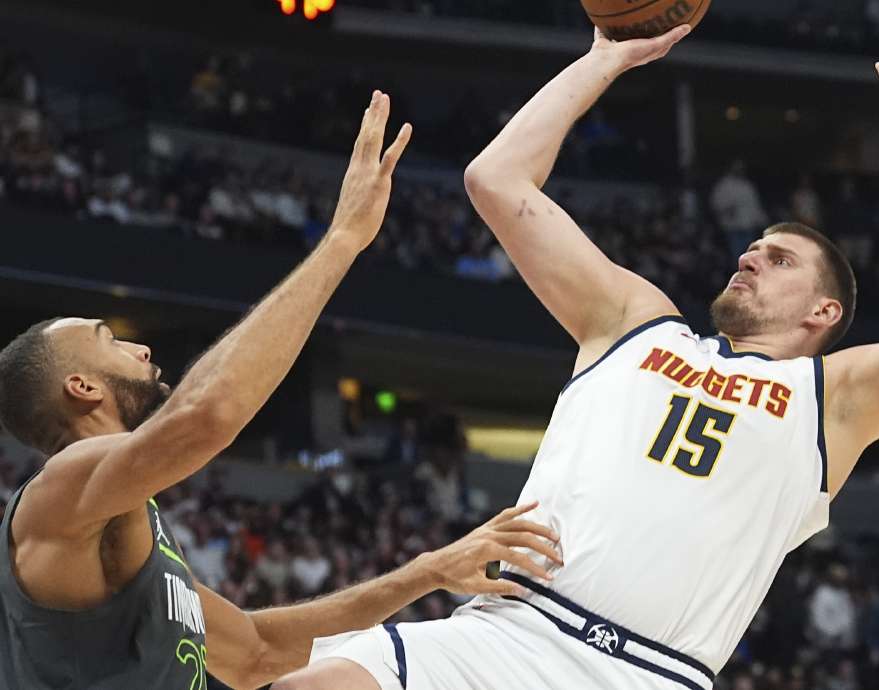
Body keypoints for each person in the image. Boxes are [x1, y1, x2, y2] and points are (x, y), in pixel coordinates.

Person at [282, 3, 879, 689]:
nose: (748, 257)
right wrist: (605, 57)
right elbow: (497, 179)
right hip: (505, 633)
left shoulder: (836, 400)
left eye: (778, 260)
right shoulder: (636, 321)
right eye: (751, 247)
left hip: (645, 673)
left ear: (824, 310)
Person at [0, 91, 560, 690]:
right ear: (80, 387)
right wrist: (342, 240)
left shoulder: (131, 525)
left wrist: (429, 570)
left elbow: (259, 653)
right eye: (109, 338)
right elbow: (204, 415)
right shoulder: (60, 488)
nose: (140, 349)